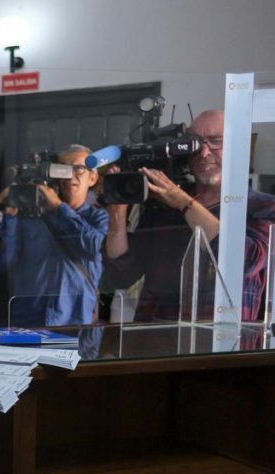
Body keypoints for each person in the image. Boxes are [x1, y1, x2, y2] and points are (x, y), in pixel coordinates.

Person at [104, 109, 275, 321]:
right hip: (155, 340)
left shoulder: (263, 206)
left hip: (224, 343)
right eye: (195, 143)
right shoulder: (164, 205)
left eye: (216, 141)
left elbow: (246, 261)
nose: (204, 153)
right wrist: (117, 217)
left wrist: (183, 202)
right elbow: (121, 275)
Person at [0, 145, 108, 327]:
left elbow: (93, 248)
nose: (70, 175)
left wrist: (59, 207)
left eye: (79, 169)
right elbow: (3, 262)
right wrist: (10, 216)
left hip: (76, 323)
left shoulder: (98, 217)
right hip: (28, 321)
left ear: (92, 178)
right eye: (63, 169)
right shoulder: (31, 216)